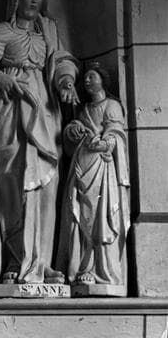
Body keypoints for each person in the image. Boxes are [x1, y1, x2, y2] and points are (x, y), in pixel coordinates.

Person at [0, 0, 79, 285]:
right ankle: (15, 260)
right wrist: (3, 79)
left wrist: (66, 81)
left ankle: (42, 263)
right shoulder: (2, 32)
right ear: (16, 0)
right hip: (10, 112)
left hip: (44, 112)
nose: (34, 1)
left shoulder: (48, 31)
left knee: (47, 185)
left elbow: (61, 60)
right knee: (15, 184)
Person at [57, 63, 130, 287]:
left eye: (92, 76)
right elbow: (71, 135)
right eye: (86, 77)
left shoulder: (112, 105)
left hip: (101, 167)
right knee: (79, 213)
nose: (87, 81)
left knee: (99, 216)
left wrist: (107, 143)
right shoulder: (84, 109)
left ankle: (101, 270)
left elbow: (116, 133)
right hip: (81, 164)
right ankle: (82, 267)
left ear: (102, 80)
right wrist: (73, 130)